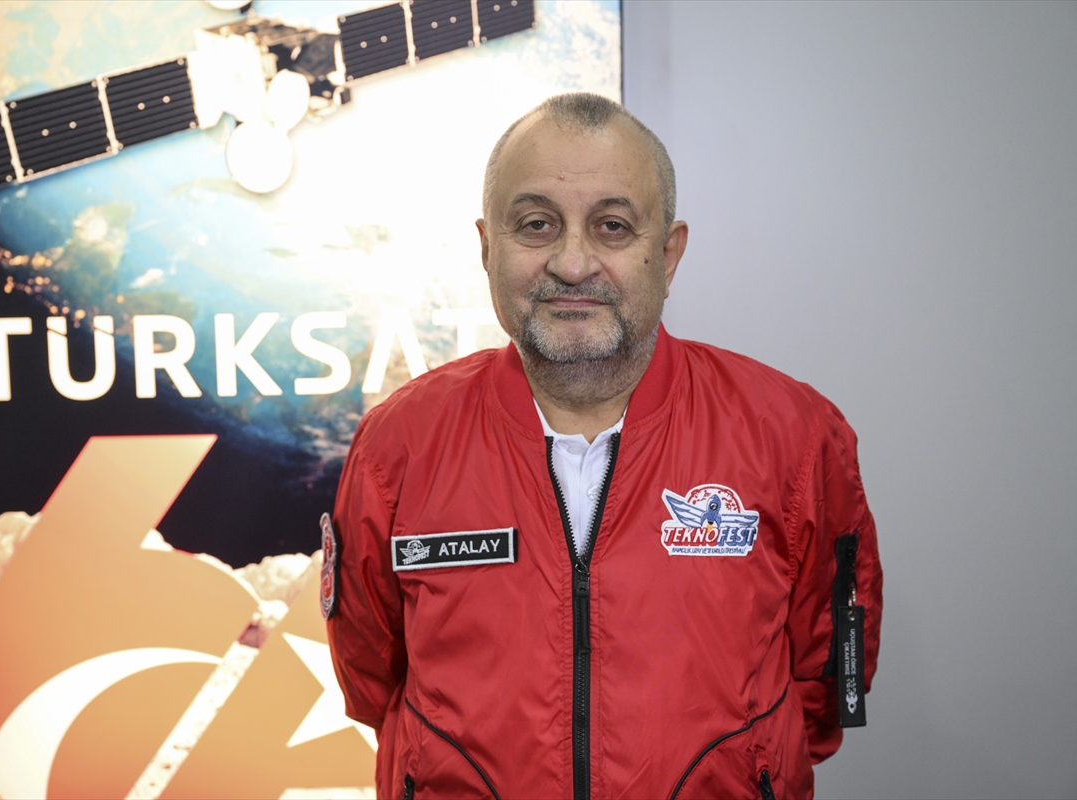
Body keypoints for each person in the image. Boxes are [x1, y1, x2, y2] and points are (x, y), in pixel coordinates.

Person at [322, 93, 882, 800]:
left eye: (612, 226)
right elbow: (371, 676)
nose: (572, 262)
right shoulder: (399, 444)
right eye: (536, 225)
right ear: (488, 247)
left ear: (668, 254)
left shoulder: (792, 435)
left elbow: (825, 685)